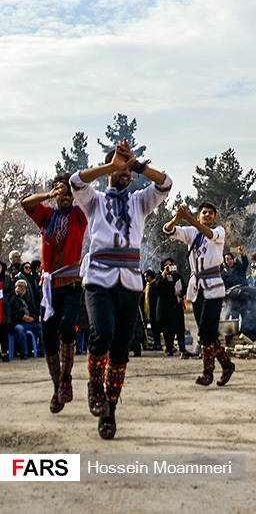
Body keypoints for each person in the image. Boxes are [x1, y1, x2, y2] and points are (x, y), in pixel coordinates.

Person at [71, 140, 172, 439]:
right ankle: (94, 386)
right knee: (101, 334)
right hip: (99, 279)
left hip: (129, 281)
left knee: (121, 350)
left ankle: (110, 411)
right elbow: (75, 180)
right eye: (120, 170)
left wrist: (138, 165)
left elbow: (166, 184)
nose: (125, 174)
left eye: (129, 171)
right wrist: (111, 165)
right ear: (109, 173)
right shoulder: (95, 201)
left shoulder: (139, 201)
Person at [21, 174, 88, 412]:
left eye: (70, 193)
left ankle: (66, 378)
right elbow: (26, 203)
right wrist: (50, 195)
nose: (67, 197)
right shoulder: (46, 216)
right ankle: (56, 388)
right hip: (48, 287)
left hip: (71, 284)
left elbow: (91, 201)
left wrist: (76, 188)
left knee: (68, 327)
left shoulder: (80, 216)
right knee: (48, 336)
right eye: (62, 192)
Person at [164, 203, 236, 387]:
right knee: (208, 333)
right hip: (197, 288)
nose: (207, 215)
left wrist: (188, 219)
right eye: (204, 213)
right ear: (199, 216)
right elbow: (168, 230)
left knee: (205, 332)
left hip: (213, 287)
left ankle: (207, 372)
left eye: (211, 213)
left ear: (215, 218)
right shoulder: (191, 232)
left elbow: (209, 234)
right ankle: (227, 365)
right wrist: (176, 218)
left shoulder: (219, 231)